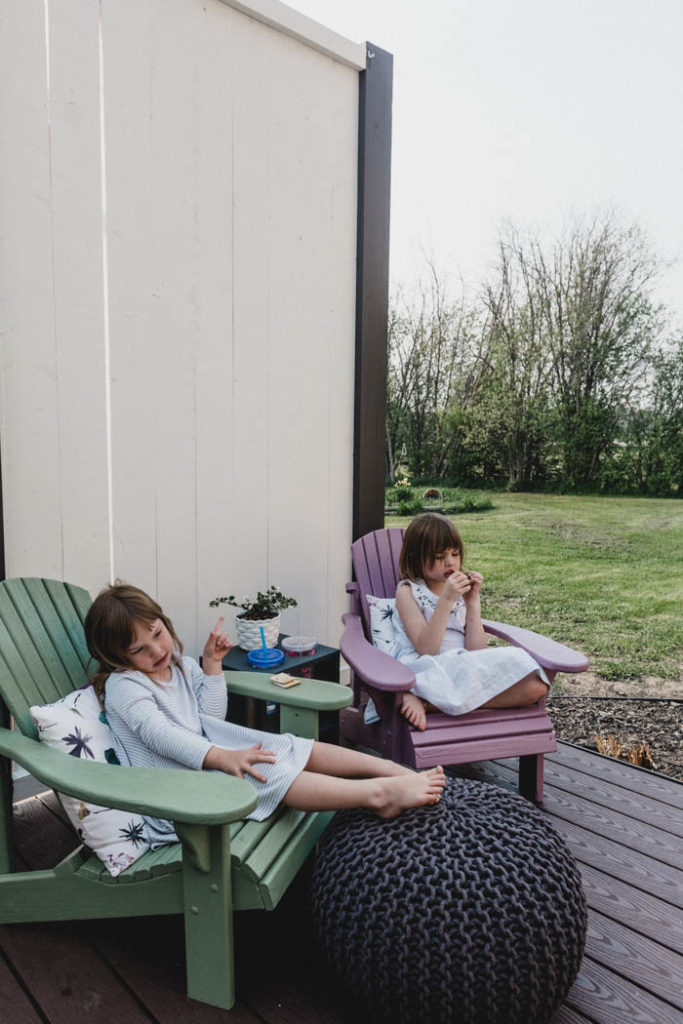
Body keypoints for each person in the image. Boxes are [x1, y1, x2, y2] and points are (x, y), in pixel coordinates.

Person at [84, 583, 446, 847]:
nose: (157, 649)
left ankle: (391, 769)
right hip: (175, 794)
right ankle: (379, 795)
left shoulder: (178, 667)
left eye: (158, 634)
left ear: (163, 622)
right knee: (265, 770)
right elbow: (159, 734)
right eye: (139, 649)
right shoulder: (125, 686)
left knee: (284, 745)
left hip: (203, 761)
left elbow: (210, 715)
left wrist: (211, 666)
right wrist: (223, 757)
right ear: (117, 658)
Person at [389, 512, 551, 731]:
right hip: (431, 667)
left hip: (464, 667)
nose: (450, 562)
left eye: (455, 554)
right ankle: (432, 697)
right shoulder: (408, 592)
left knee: (537, 686)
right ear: (415, 557)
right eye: (439, 556)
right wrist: (446, 600)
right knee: (526, 676)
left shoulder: (460, 590)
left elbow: (478, 652)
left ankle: (432, 704)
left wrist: (472, 602)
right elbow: (426, 648)